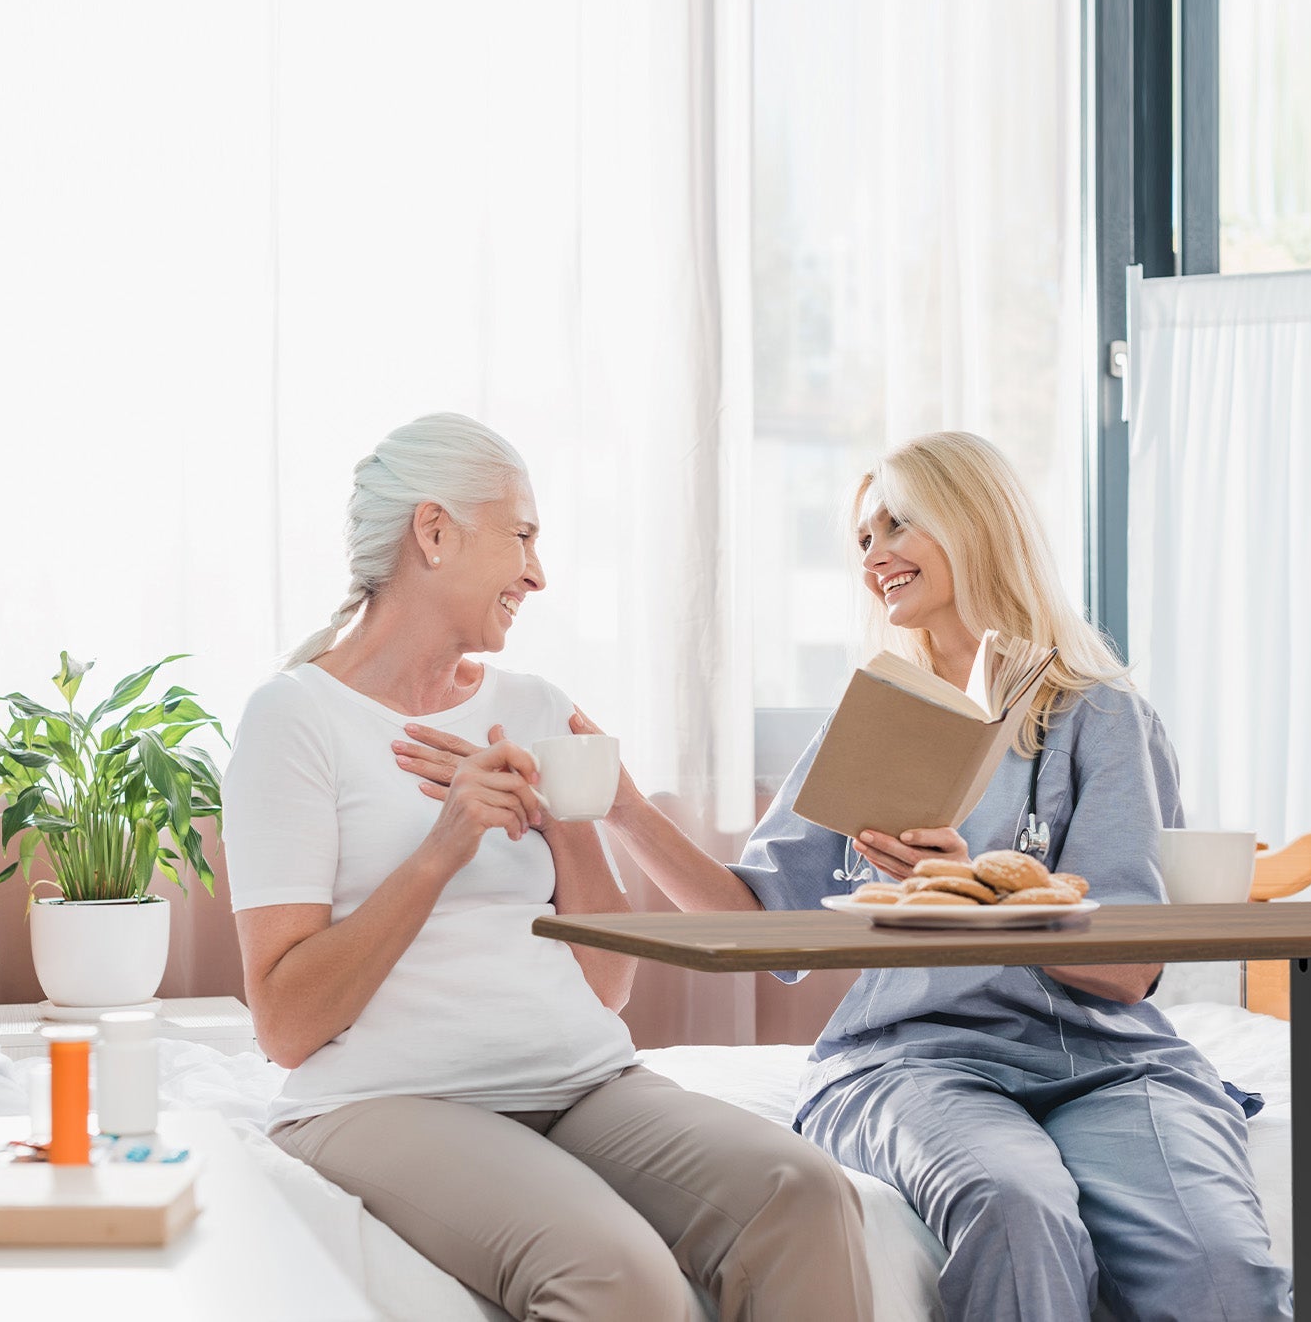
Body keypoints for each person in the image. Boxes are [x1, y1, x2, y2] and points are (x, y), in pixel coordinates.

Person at [400, 431, 1294, 1321]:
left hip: (1106, 1065)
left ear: (974, 523)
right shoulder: (877, 722)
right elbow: (757, 925)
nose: (874, 557)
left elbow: (1127, 972)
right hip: (914, 1059)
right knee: (1019, 1208)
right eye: (862, 539)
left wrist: (988, 892)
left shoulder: (1101, 718)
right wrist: (625, 804)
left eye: (898, 525)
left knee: (1216, 1266)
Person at [221, 413, 873, 1322]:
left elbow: (604, 989)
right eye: (522, 536)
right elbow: (286, 1025)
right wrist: (443, 850)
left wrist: (564, 829)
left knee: (805, 1194)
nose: (538, 572)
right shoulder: (294, 720)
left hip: (582, 1079)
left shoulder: (535, 706)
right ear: (435, 532)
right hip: (388, 1098)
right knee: (618, 1277)